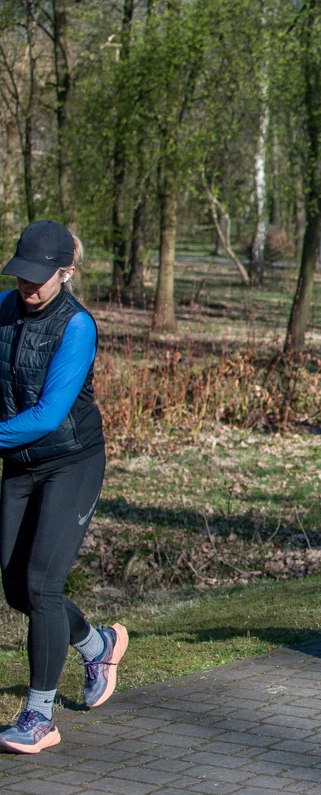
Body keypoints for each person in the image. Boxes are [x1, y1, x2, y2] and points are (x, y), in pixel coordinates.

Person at [0, 221, 125, 755]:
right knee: (16, 589)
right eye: (22, 275)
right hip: (20, 466)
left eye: (40, 279)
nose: (29, 288)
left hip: (71, 461)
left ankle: (39, 717)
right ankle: (98, 646)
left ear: (66, 272)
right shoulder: (5, 307)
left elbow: (49, 415)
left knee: (43, 587)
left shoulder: (77, 327)